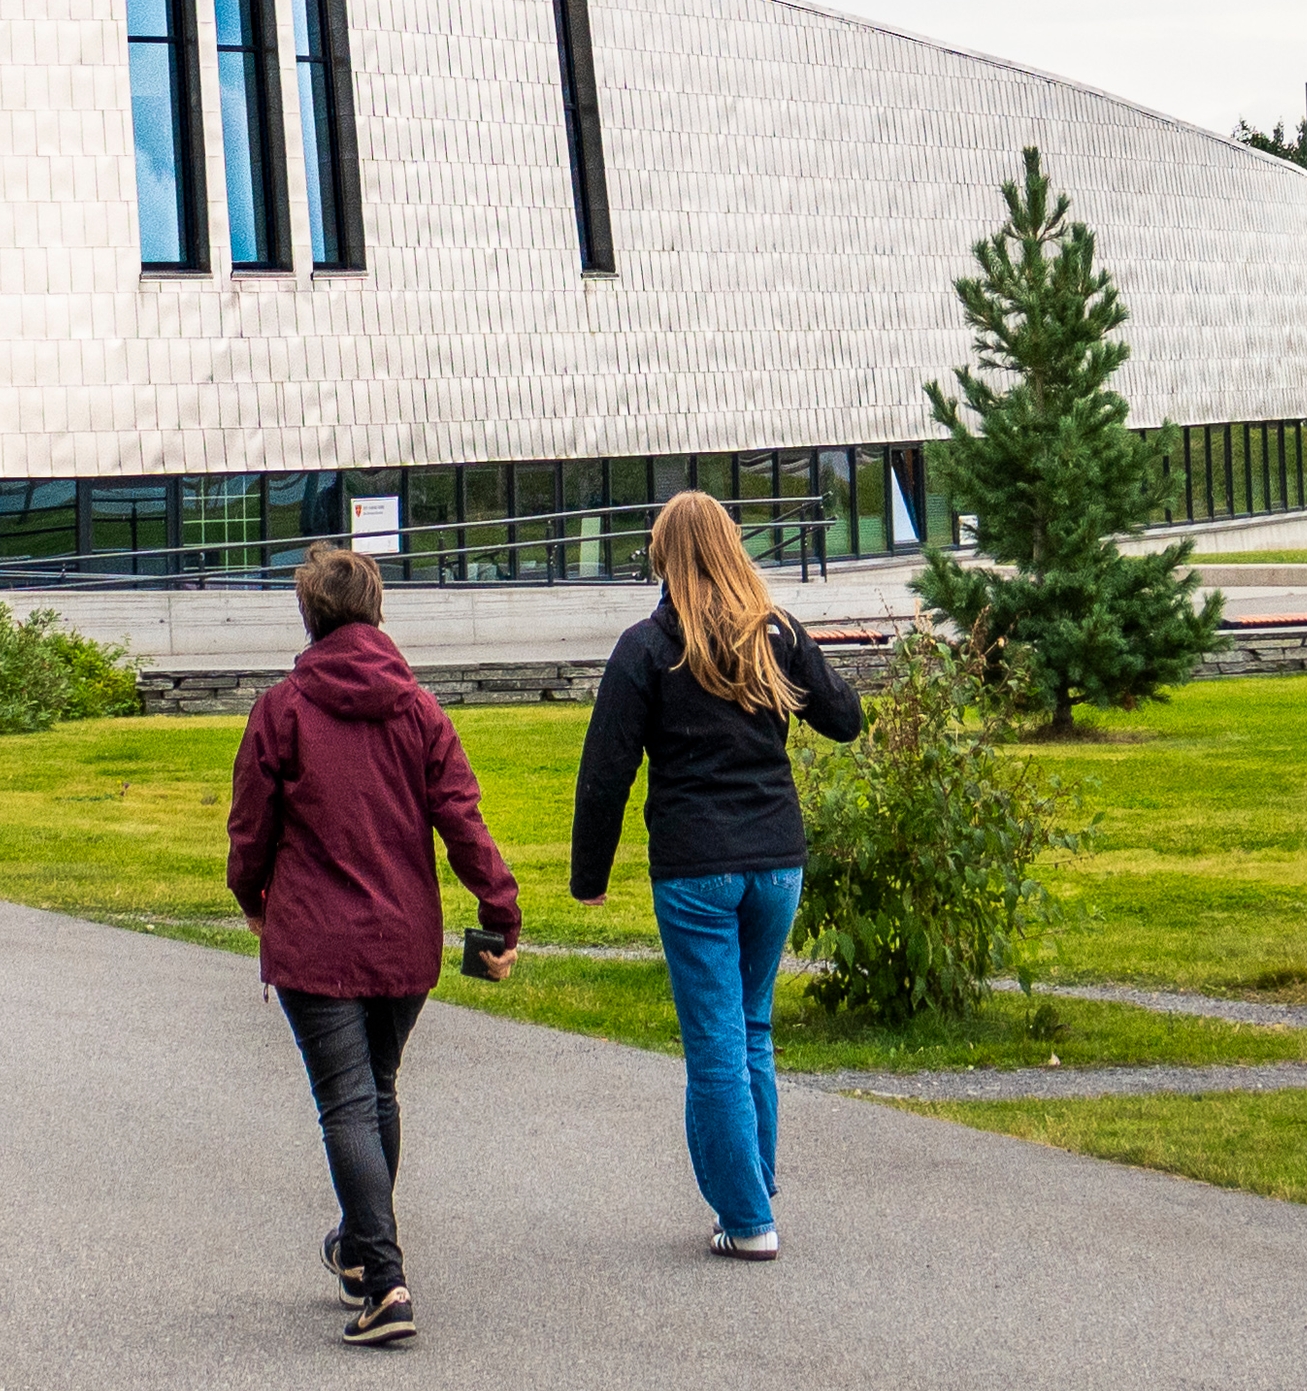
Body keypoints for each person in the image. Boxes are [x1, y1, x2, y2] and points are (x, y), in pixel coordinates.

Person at [227, 540, 521, 1347]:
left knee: (348, 1104)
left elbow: (251, 826)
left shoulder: (282, 709)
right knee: (377, 1092)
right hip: (402, 940)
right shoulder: (419, 711)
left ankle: (385, 1282)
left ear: (310, 613)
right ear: (376, 608)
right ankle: (360, 1253)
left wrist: (251, 897)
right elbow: (463, 821)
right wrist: (502, 910)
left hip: (316, 941)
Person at [570, 487, 861, 1259]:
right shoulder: (774, 633)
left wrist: (588, 874)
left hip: (696, 867)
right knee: (752, 1028)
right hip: (775, 861)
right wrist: (794, 650)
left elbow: (607, 770)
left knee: (716, 1043)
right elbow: (844, 717)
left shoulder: (647, 647)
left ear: (666, 555)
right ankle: (753, 1191)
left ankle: (747, 1218)